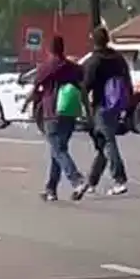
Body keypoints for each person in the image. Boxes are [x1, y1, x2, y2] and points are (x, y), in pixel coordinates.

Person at [23, 36, 88, 202]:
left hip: (52, 112)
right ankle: (51, 189)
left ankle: (76, 180)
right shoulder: (73, 68)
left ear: (49, 49)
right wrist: (87, 110)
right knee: (57, 150)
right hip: (70, 112)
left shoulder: (46, 67)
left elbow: (35, 89)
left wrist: (25, 104)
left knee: (58, 150)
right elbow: (82, 88)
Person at [74, 26, 131, 198]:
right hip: (116, 105)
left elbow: (85, 85)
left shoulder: (94, 61)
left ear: (94, 41)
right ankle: (92, 181)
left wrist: (83, 106)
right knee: (103, 144)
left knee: (107, 142)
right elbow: (128, 80)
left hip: (101, 105)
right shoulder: (118, 58)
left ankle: (119, 179)